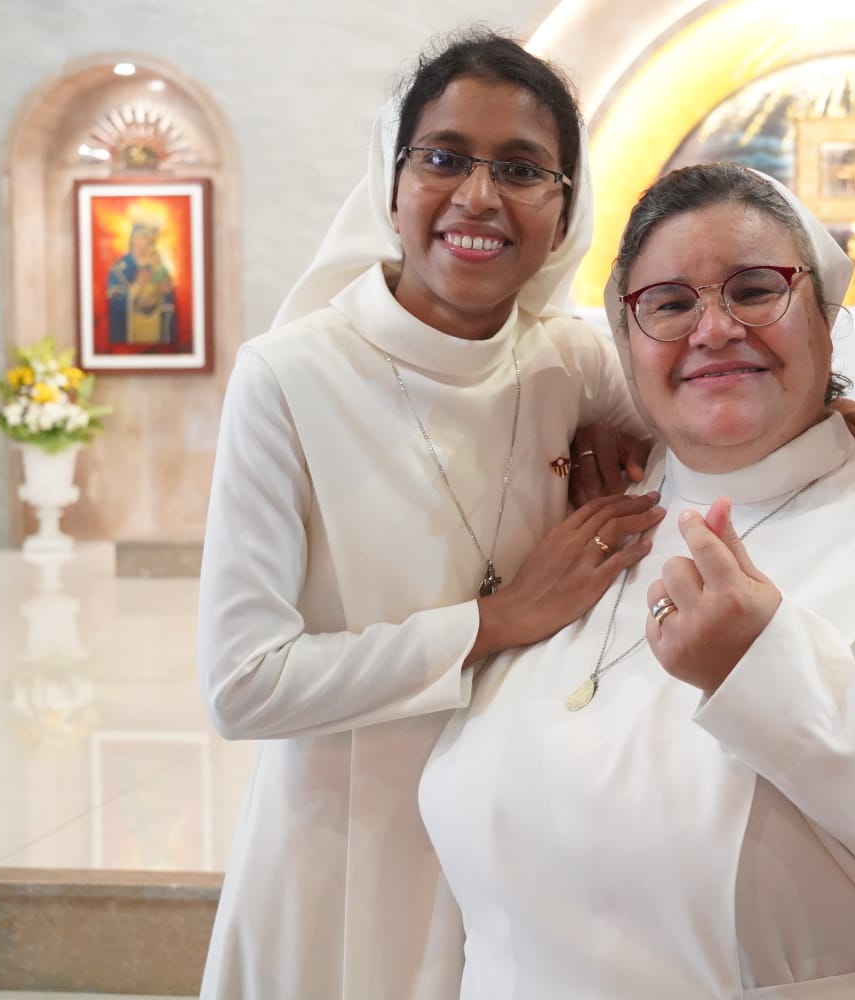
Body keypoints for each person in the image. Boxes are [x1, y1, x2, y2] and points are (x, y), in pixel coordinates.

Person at [417, 161, 855, 999]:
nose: (713, 329)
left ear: (826, 321)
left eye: (755, 291)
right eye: (669, 304)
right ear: (627, 346)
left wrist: (772, 672)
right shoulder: (586, 529)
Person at [195, 31, 664, 998]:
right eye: (444, 157)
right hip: (346, 844)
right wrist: (498, 622)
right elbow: (243, 685)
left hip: (520, 839)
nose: (479, 197)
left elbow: (707, 436)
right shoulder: (288, 376)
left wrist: (850, 427)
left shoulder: (571, 363)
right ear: (393, 179)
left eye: (522, 169)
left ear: (565, 210)